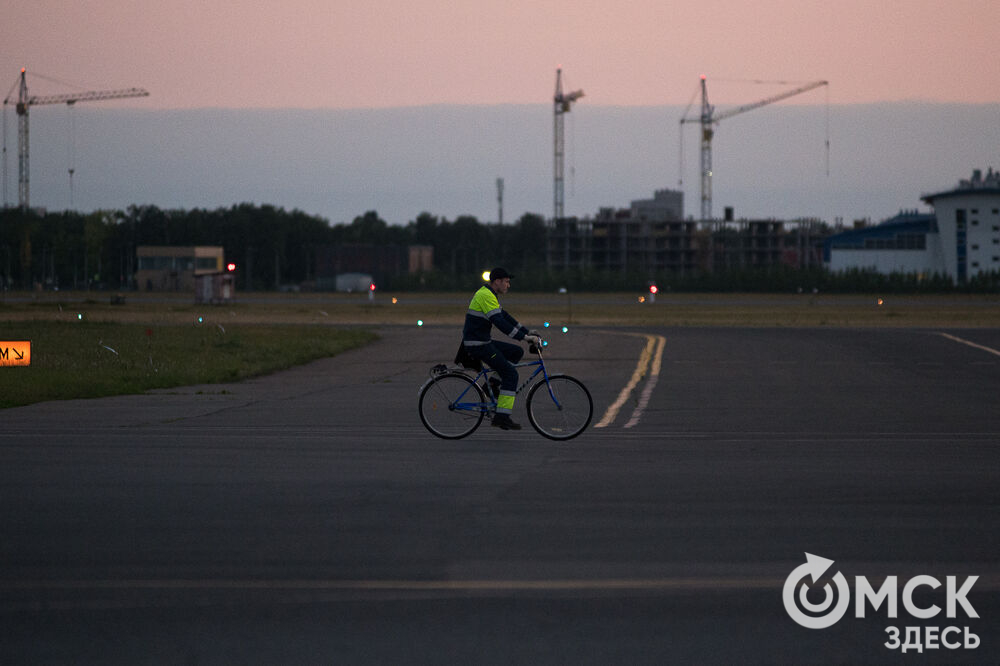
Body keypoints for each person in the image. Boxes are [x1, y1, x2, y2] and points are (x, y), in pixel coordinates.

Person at [461, 267, 541, 430]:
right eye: (506, 281)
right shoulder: (485, 295)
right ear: (497, 281)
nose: (508, 285)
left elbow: (505, 316)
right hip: (478, 345)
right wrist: (525, 338)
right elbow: (500, 322)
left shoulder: (490, 295)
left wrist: (527, 331)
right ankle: (502, 417)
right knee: (511, 375)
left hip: (483, 341)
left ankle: (492, 385)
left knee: (516, 352)